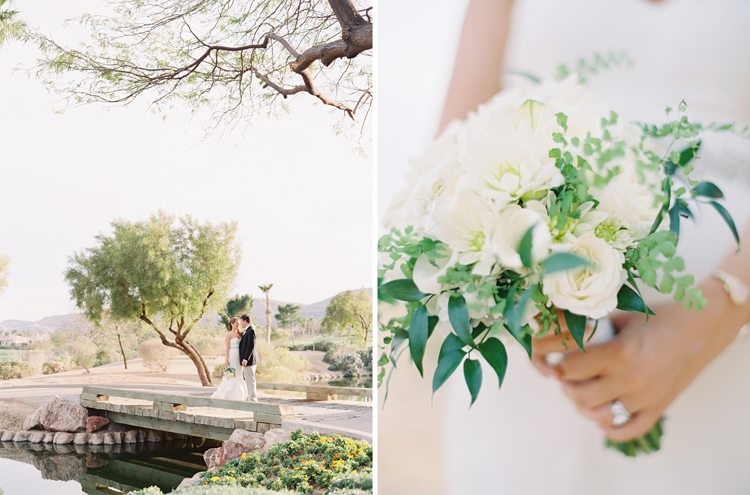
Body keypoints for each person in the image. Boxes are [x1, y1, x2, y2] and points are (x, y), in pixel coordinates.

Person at [379, 0, 750, 493]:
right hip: (535, 370)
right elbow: (453, 142)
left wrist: (716, 319)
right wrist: (517, 292)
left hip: (729, 353)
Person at [210, 317, 248, 401]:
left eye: (238, 323)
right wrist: (226, 360)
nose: (238, 325)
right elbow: (227, 348)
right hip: (232, 355)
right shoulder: (229, 335)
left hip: (239, 356)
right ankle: (230, 394)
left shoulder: (240, 333)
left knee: (239, 374)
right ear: (231, 324)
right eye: (236, 323)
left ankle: (240, 394)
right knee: (233, 374)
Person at [238, 314, 259, 402]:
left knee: (250, 380)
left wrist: (245, 358)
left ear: (245, 320)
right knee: (248, 379)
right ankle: (250, 397)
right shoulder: (248, 330)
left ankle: (253, 399)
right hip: (248, 360)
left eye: (241, 321)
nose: (240, 323)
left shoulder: (251, 330)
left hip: (249, 360)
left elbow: (250, 346)